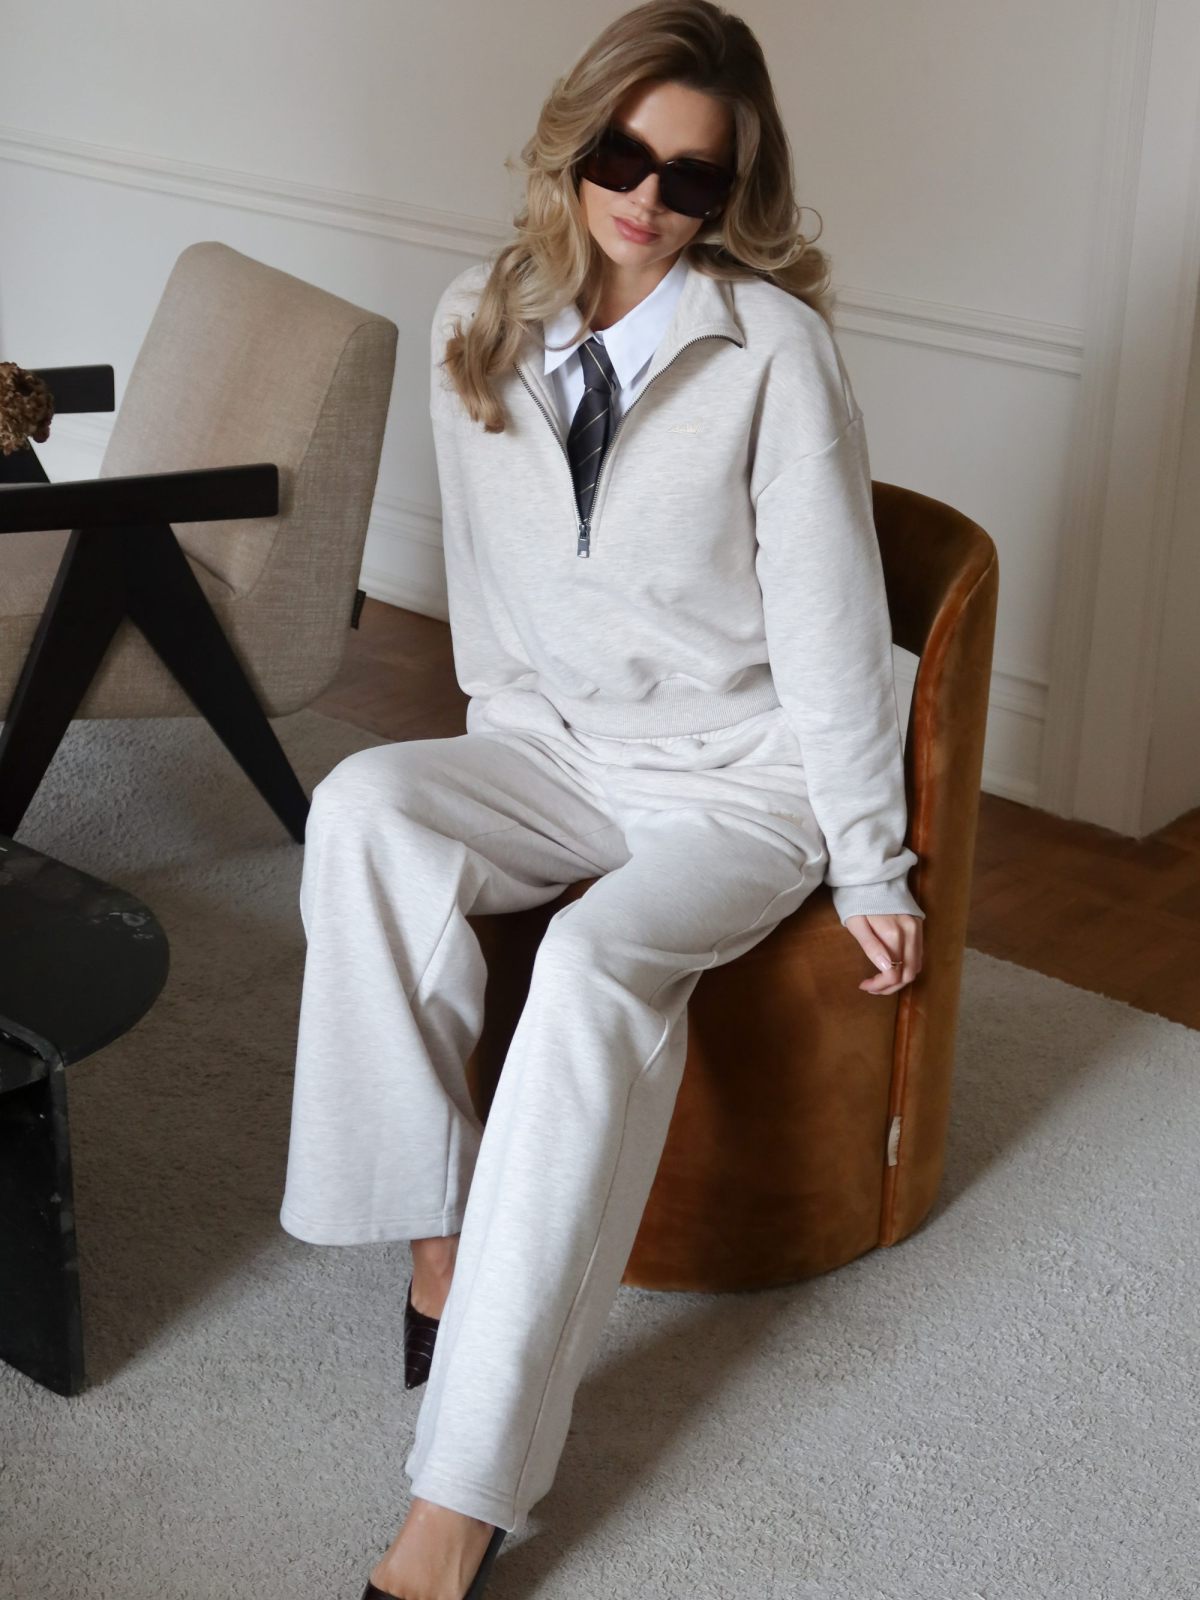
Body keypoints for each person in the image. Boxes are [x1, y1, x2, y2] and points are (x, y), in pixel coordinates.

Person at [279, 3, 925, 1595]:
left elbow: (834, 629)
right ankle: (441, 1238)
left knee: (584, 969)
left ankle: (463, 1499)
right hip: (563, 753)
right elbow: (490, 593)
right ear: (575, 144)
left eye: (691, 177)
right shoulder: (478, 317)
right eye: (624, 156)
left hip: (740, 788)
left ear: (732, 192)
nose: (647, 198)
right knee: (364, 809)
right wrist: (505, 743)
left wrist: (868, 862)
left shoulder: (772, 351)